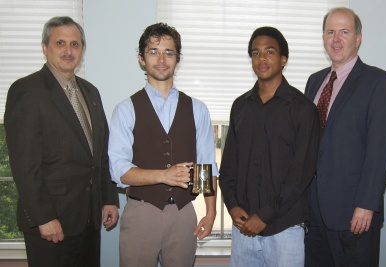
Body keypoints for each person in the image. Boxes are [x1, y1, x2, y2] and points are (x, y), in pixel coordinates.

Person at [4, 16, 119, 267]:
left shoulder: (91, 92)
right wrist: (44, 217)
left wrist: (109, 198)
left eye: (75, 44)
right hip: (50, 223)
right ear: (45, 48)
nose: (69, 51)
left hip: (89, 221)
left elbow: (100, 155)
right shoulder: (26, 91)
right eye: (60, 43)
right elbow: (25, 166)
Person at [108, 22, 218, 267]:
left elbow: (206, 166)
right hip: (141, 213)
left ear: (177, 59)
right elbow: (119, 171)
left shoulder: (197, 109)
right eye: (153, 51)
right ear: (141, 58)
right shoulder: (125, 110)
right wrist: (164, 175)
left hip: (183, 214)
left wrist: (210, 213)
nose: (161, 59)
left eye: (169, 52)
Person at [219, 26, 320, 267]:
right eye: (255, 53)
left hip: (284, 228)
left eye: (270, 52)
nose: (261, 58)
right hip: (243, 228)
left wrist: (264, 215)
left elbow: (301, 174)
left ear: (283, 59)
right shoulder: (240, 106)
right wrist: (232, 206)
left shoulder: (303, 109)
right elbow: (228, 166)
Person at [304, 7, 386, 267]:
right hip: (314, 214)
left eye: (344, 32)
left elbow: (381, 148)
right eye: (330, 32)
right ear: (323, 37)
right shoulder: (314, 82)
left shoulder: (378, 82)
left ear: (358, 38)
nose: (336, 39)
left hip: (354, 214)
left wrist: (366, 204)